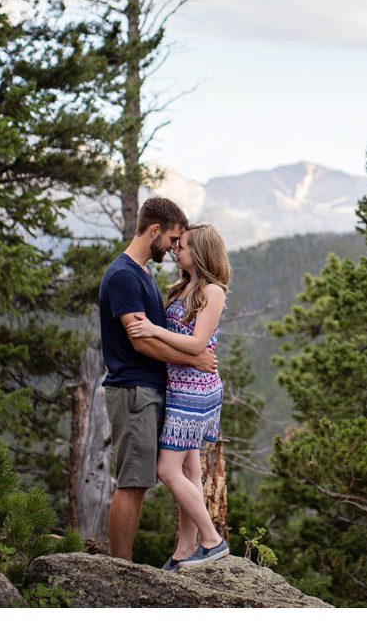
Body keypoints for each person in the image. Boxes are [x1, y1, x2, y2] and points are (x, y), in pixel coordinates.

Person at [99, 197, 218, 561]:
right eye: (171, 239)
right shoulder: (123, 276)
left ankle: (189, 547)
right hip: (134, 390)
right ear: (154, 231)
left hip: (152, 389)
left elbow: (155, 332)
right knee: (133, 483)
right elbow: (141, 340)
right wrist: (194, 358)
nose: (173, 247)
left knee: (162, 474)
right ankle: (120, 567)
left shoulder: (144, 273)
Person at [125, 222, 232, 569]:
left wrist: (153, 330)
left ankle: (212, 540)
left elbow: (198, 344)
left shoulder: (213, 292)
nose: (175, 250)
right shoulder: (182, 288)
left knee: (167, 469)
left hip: (196, 391)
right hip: (178, 386)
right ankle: (185, 549)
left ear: (199, 253)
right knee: (188, 468)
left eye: (181, 246)